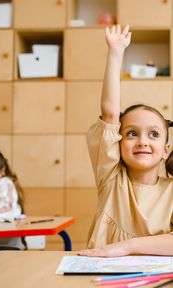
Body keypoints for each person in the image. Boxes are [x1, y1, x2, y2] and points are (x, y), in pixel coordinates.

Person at [78, 25, 173, 257]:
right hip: (102, 275)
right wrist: (116, 52)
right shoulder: (110, 177)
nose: (142, 141)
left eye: (153, 134)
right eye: (131, 133)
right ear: (117, 144)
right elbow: (110, 113)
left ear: (165, 150)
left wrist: (128, 246)